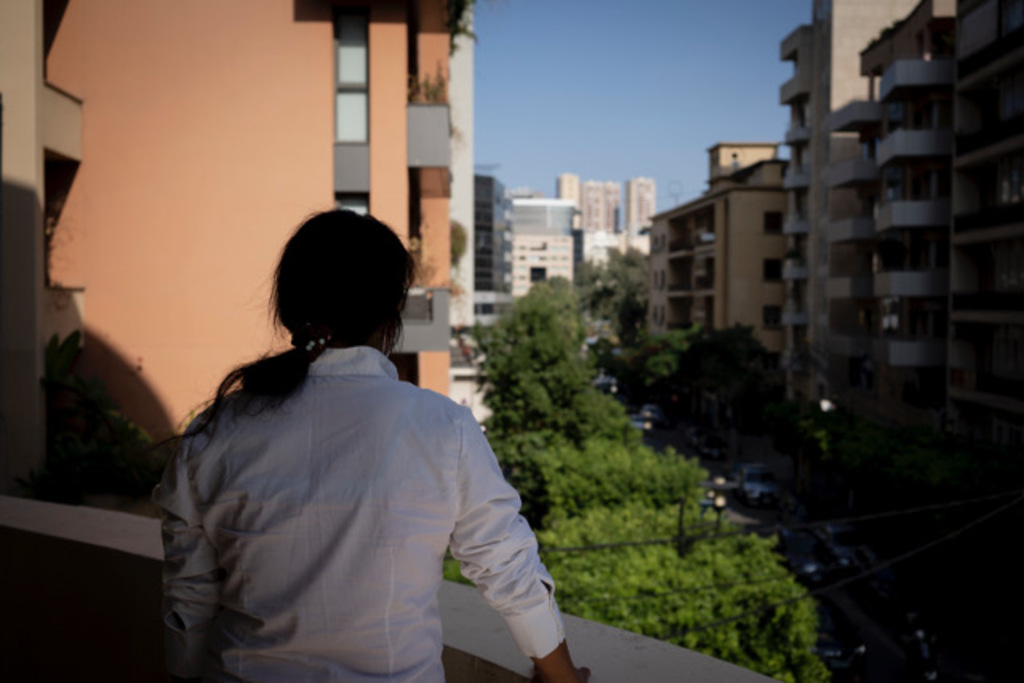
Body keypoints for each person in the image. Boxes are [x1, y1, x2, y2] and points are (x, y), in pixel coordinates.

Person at [154, 211, 589, 683]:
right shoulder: (444, 429)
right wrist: (562, 677)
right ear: (391, 314)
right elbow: (508, 568)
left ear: (288, 309)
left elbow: (189, 599)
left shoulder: (213, 432)